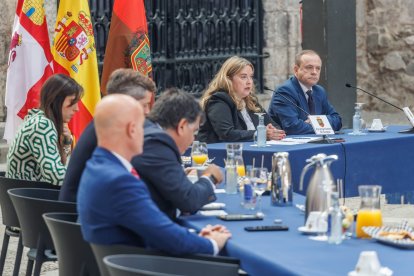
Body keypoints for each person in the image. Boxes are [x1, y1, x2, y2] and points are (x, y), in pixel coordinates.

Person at [77, 94, 231, 255]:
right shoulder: (120, 181)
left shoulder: (95, 166)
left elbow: (155, 228)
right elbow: (166, 236)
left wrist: (193, 237)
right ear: (132, 129)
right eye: (142, 126)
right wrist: (211, 243)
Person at [59, 68, 156, 202]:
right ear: (128, 102)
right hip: (78, 213)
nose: (147, 111)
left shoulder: (103, 123)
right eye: (144, 105)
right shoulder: (111, 129)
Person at [132, 88, 223, 220]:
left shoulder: (148, 131)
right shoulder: (156, 144)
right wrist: (210, 177)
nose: (193, 139)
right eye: (194, 132)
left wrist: (178, 175)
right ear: (182, 126)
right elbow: (188, 201)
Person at [6, 74, 82, 185]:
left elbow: (60, 166)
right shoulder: (42, 125)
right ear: (56, 99)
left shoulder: (38, 119)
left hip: (29, 193)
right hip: (31, 196)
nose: (77, 108)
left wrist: (66, 142)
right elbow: (57, 177)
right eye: (72, 101)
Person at [197, 56, 285, 143]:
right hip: (221, 154)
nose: (249, 81)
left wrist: (274, 132)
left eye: (251, 77)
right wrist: (261, 134)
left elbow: (274, 125)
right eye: (243, 77)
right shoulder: (219, 100)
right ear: (228, 79)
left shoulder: (251, 101)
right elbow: (227, 134)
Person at [268, 50, 342, 135]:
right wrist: (322, 124)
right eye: (309, 67)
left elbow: (337, 120)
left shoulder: (319, 91)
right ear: (296, 70)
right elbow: (292, 127)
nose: (314, 72)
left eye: (318, 68)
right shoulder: (285, 91)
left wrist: (314, 121)